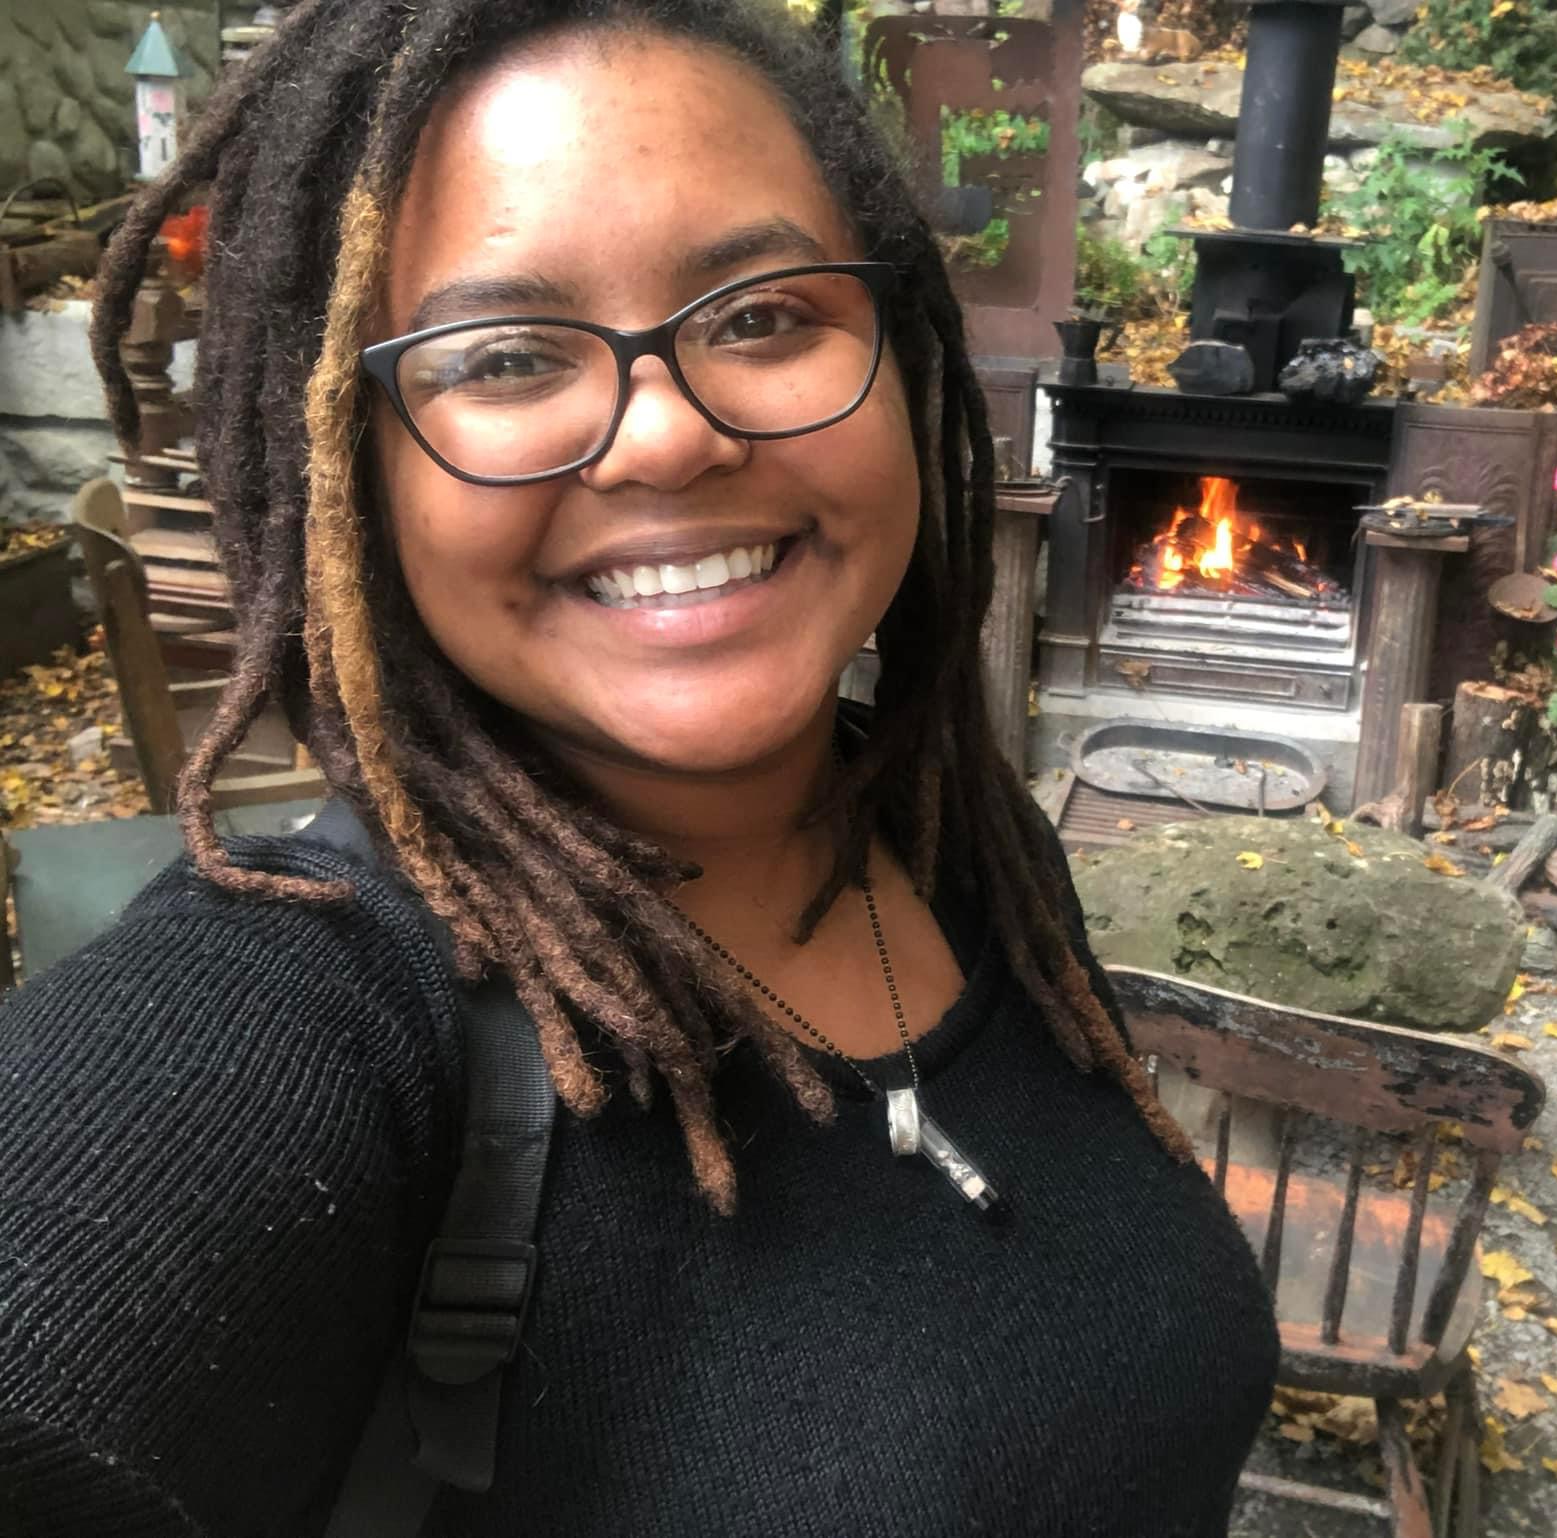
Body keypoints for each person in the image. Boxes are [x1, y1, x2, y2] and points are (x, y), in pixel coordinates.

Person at [0, 2, 1282, 1534]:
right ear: (357, 465)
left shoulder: (959, 844)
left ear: (895, 357)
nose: (666, 436)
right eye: (506, 355)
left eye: (760, 316)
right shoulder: (311, 1006)